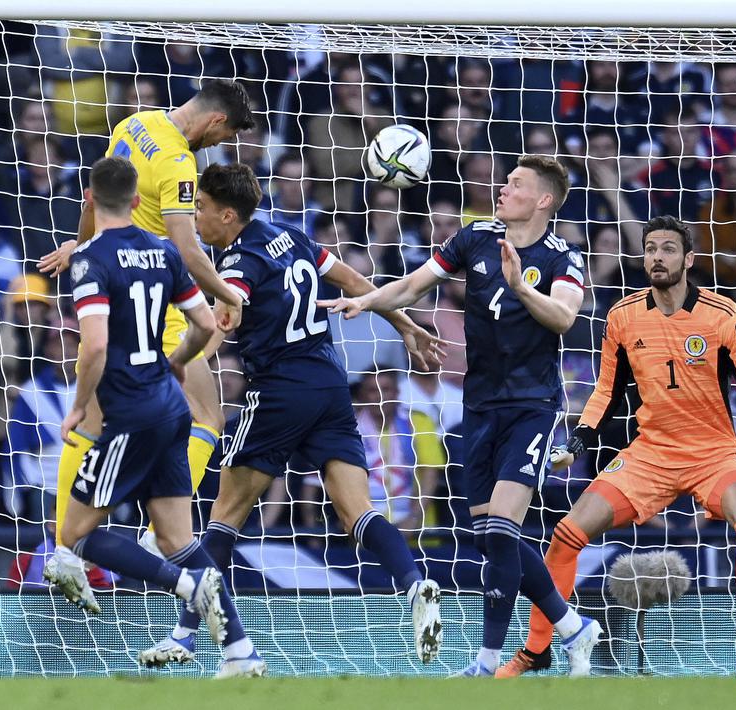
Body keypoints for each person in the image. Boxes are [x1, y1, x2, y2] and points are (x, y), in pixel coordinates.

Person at [140, 163, 444, 667]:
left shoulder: (238, 260)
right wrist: (403, 320)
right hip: (330, 385)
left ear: (228, 214)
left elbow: (222, 319)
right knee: (358, 512)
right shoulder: (290, 234)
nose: (195, 219)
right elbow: (353, 280)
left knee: (224, 518)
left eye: (201, 209)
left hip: (279, 391)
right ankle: (415, 585)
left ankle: (185, 636)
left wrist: (180, 362)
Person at [322, 155, 602, 676]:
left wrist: (522, 287)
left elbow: (564, 317)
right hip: (478, 406)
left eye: (516, 184)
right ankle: (572, 627)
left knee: (502, 530)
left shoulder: (562, 256)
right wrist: (368, 301)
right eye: (505, 181)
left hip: (531, 407)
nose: (503, 189)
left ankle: (488, 661)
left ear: (544, 200)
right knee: (490, 536)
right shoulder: (474, 237)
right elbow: (413, 285)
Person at [507, 216, 736, 679]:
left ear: (688, 260)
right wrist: (578, 441)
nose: (657, 257)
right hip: (650, 452)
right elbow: (606, 391)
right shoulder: (622, 316)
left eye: (668, 249)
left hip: (713, 452)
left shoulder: (723, 315)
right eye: (651, 248)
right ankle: (537, 649)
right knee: (567, 533)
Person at [45, 157, 265, 678]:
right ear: (139, 201)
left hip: (129, 415)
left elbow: (95, 345)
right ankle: (240, 652)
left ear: (89, 200)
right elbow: (204, 324)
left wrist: (79, 406)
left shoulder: (88, 260)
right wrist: (177, 362)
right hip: (171, 408)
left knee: (74, 536)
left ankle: (187, 586)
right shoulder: (165, 251)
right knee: (177, 540)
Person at [38, 79, 256, 592]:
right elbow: (186, 247)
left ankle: (65, 551)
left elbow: (95, 198)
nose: (218, 145)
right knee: (207, 417)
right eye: (224, 136)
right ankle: (162, 536)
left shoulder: (134, 124)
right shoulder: (179, 162)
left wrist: (82, 248)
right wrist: (228, 294)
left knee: (90, 422)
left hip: (108, 292)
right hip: (156, 304)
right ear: (216, 121)